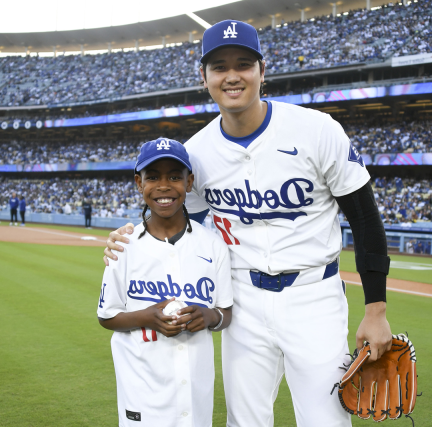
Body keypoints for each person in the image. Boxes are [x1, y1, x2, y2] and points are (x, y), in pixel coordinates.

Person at [103, 20, 392, 427]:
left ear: (261, 70)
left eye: (243, 64)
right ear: (204, 77)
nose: (232, 75)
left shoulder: (316, 129)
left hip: (314, 295)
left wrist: (376, 309)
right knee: (245, 421)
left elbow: (364, 219)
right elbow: (181, 220)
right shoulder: (198, 153)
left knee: (326, 420)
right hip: (243, 301)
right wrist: (132, 232)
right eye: (219, 67)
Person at [97, 138, 233, 427]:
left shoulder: (213, 245)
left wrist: (209, 316)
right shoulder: (124, 245)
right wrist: (148, 316)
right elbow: (106, 316)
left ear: (189, 181)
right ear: (138, 183)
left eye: (174, 176)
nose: (163, 186)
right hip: (142, 386)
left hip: (195, 385)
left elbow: (224, 314)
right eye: (153, 177)